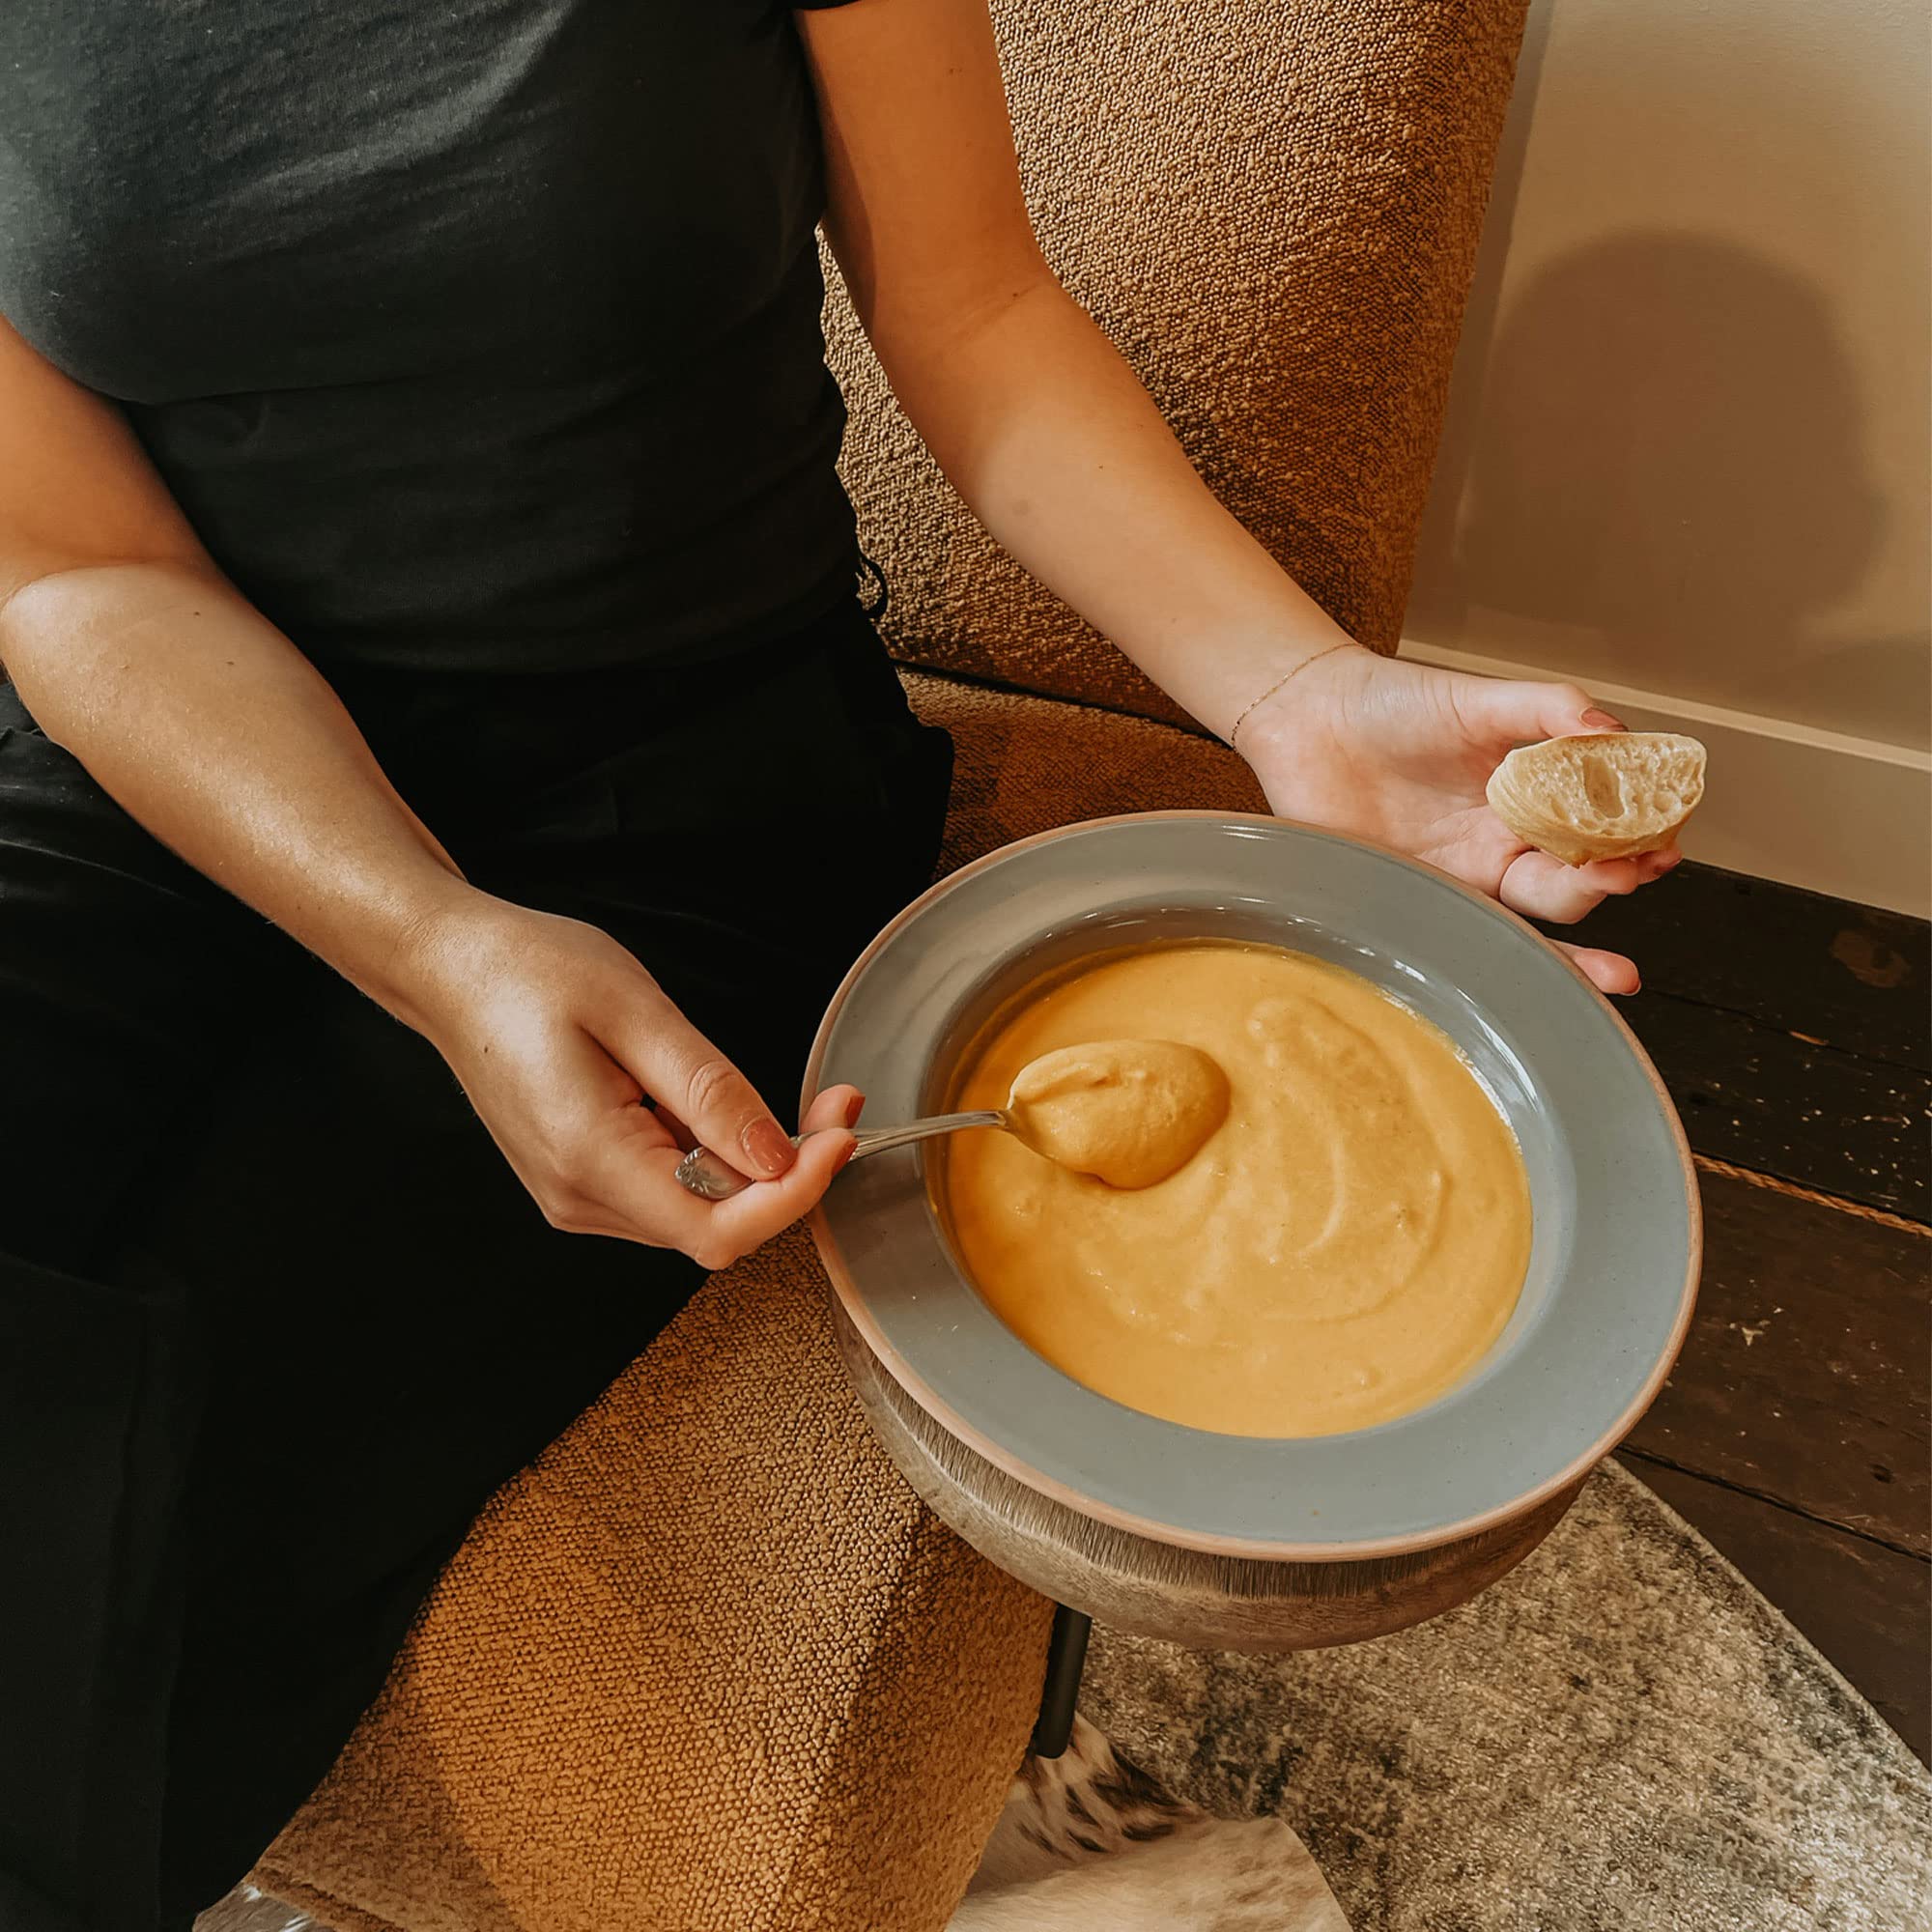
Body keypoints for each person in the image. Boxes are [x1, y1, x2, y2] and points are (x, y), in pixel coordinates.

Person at [0, 0, 1674, 1924]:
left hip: (678, 799)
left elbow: (972, 313)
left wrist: (1295, 694)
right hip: (159, 760)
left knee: (163, 1515)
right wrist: (429, 945)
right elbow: (70, 567)